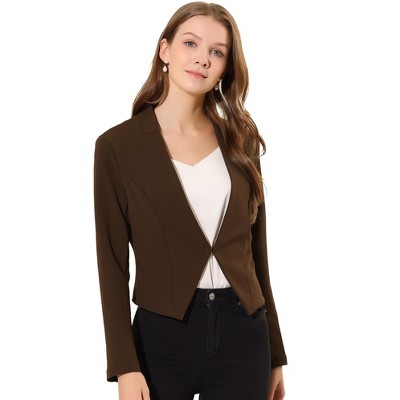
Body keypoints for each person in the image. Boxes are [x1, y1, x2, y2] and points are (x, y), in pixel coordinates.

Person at [93, 2, 287, 399]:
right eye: (190, 43)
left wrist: (275, 355)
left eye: (217, 51)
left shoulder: (241, 142)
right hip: (161, 340)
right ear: (165, 50)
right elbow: (111, 264)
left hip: (244, 338)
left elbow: (257, 255)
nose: (203, 58)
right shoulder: (117, 147)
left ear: (226, 67)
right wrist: (125, 366)